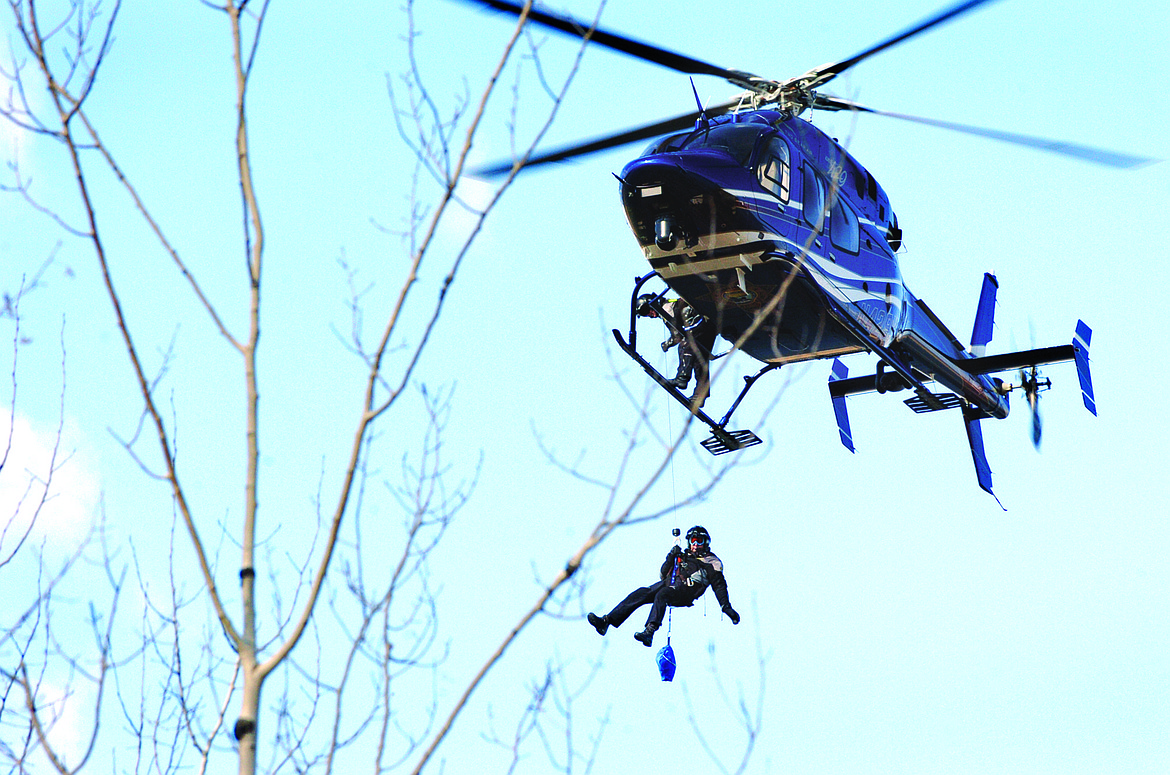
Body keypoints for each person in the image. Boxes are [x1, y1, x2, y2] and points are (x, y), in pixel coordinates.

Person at [587, 525, 739, 647]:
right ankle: (606, 621)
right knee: (641, 593)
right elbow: (663, 573)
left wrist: (726, 606)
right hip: (667, 585)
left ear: (705, 543)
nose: (695, 545)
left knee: (663, 594)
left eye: (699, 541)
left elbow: (719, 585)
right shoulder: (682, 555)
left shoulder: (711, 562)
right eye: (693, 541)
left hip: (685, 592)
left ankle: (649, 631)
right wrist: (671, 556)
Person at [635, 294, 716, 408]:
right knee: (700, 361)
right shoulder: (668, 308)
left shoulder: (666, 309)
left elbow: (677, 335)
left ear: (652, 303)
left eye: (646, 311)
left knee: (685, 345)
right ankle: (700, 396)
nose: (649, 315)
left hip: (698, 323)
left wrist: (666, 344)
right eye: (645, 314)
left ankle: (682, 378)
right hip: (708, 327)